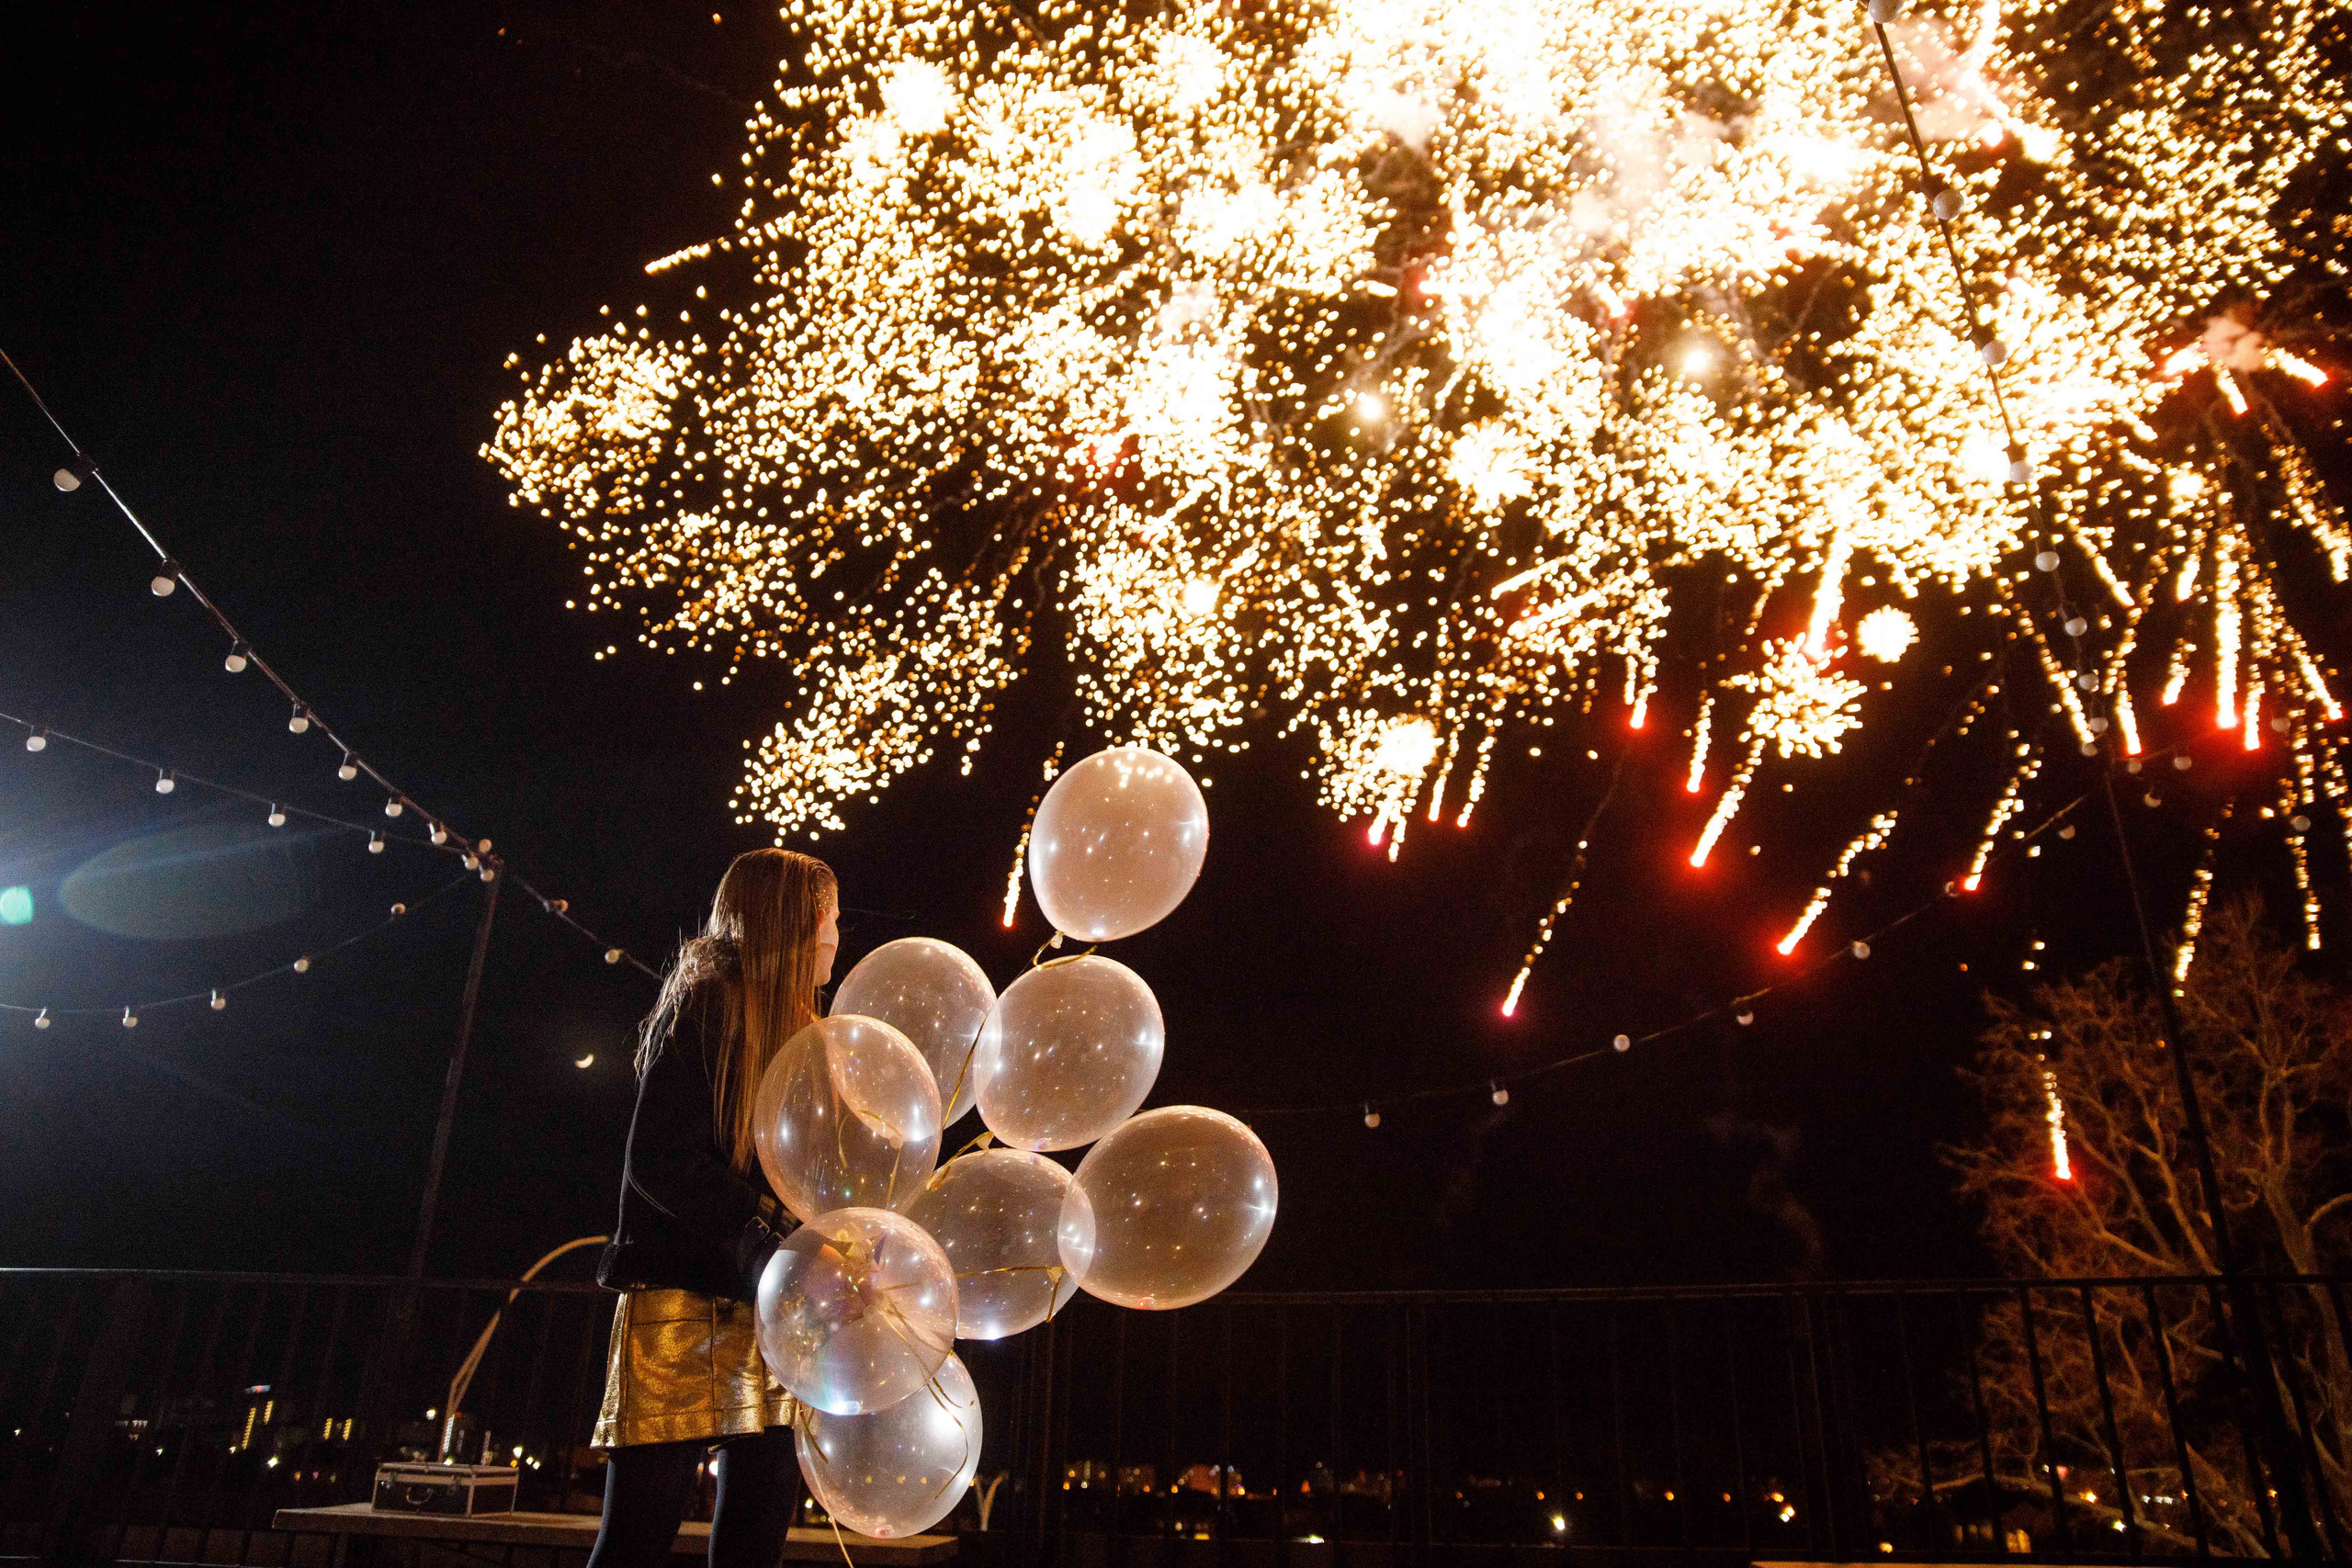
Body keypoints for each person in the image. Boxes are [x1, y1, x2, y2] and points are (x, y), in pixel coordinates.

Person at [584, 848, 839, 1568]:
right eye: (831, 917)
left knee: (756, 1536)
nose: (836, 936)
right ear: (796, 920)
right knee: (637, 1534)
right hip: (684, 1304)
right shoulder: (708, 1005)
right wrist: (762, 1238)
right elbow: (659, 1159)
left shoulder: (805, 1034)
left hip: (771, 1312)